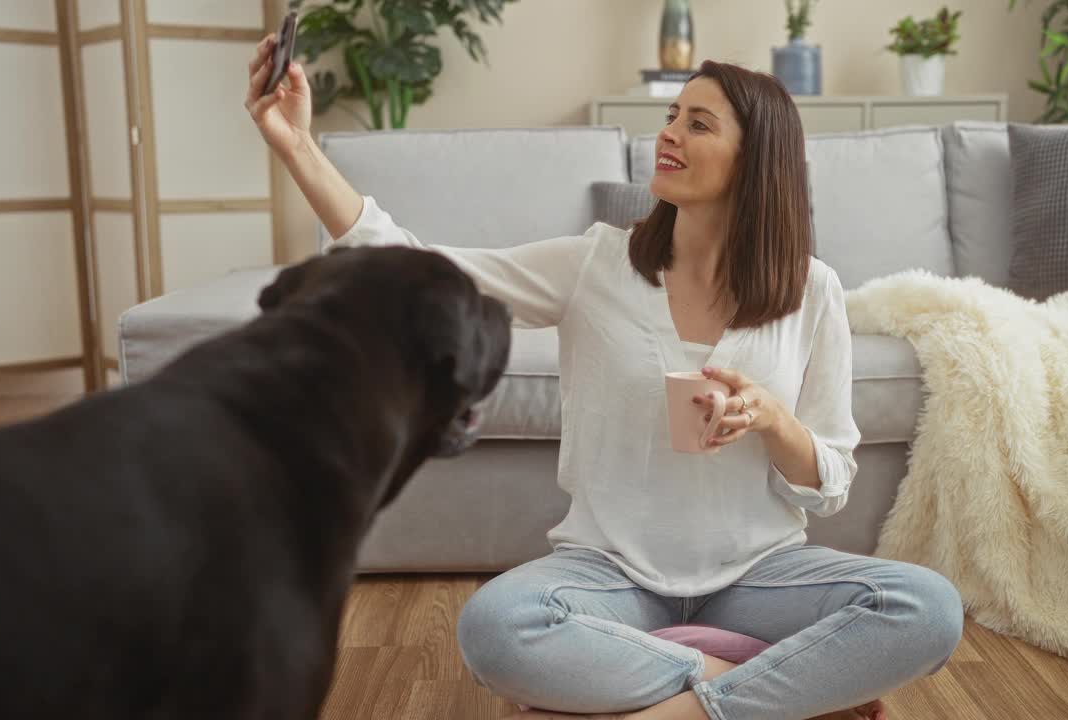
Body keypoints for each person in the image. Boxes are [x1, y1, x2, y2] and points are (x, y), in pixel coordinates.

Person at [245, 34, 962, 720]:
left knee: (927, 609)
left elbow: (831, 479)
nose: (670, 134)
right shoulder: (595, 266)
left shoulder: (813, 291)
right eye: (672, 116)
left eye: (699, 123)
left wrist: (773, 421)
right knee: (496, 628)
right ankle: (758, 686)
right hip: (609, 576)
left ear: (756, 160)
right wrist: (298, 145)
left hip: (759, 576)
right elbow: (416, 270)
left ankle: (666, 708)